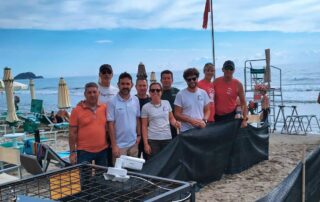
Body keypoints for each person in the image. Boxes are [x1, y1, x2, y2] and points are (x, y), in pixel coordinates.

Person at [69, 82, 108, 166]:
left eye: (94, 92)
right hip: (84, 151)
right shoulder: (76, 111)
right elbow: (72, 133)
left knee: (101, 178)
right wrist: (72, 152)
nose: (92, 95)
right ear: (85, 94)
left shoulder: (104, 108)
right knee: (85, 178)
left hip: (103, 150)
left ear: (99, 93)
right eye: (89, 92)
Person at [141, 82, 181, 159]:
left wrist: (176, 123)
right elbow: (144, 126)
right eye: (152, 90)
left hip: (167, 139)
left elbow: (171, 118)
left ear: (161, 92)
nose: (155, 92)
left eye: (158, 90)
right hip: (153, 140)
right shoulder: (145, 107)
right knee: (154, 163)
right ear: (149, 92)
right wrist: (146, 144)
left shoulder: (167, 103)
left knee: (166, 162)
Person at [108, 72, 141, 162]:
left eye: (127, 84)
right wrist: (114, 145)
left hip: (133, 144)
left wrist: (139, 136)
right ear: (118, 85)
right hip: (119, 146)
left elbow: (137, 119)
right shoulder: (112, 102)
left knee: (133, 173)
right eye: (122, 84)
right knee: (119, 175)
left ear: (132, 85)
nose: (125, 86)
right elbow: (110, 124)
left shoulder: (135, 100)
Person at [174, 68, 211, 132]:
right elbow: (177, 114)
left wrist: (204, 120)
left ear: (197, 78)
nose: (192, 81)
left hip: (201, 129)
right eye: (189, 79)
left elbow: (207, 110)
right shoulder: (180, 94)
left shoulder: (203, 93)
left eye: (194, 78)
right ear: (186, 80)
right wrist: (191, 120)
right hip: (186, 131)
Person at [214, 60, 248, 127]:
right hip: (216, 116)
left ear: (234, 70)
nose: (228, 71)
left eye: (231, 69)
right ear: (222, 69)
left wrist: (244, 119)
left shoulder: (238, 84)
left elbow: (243, 103)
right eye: (226, 68)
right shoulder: (216, 82)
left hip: (230, 116)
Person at [98, 64, 118, 166]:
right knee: (101, 158)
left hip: (114, 128)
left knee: (112, 156)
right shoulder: (95, 89)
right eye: (104, 72)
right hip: (99, 128)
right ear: (99, 74)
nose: (106, 74)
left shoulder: (116, 90)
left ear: (112, 74)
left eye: (108, 72)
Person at [160, 70, 180, 138]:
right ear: (161, 80)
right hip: (161, 126)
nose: (166, 80)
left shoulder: (177, 92)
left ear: (172, 80)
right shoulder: (156, 93)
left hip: (175, 125)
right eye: (164, 78)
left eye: (168, 78)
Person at [135, 77, 151, 160]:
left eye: (144, 85)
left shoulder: (151, 101)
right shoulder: (131, 100)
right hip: (135, 138)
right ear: (135, 87)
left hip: (149, 137)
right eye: (140, 85)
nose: (142, 88)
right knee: (133, 164)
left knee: (149, 162)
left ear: (147, 86)